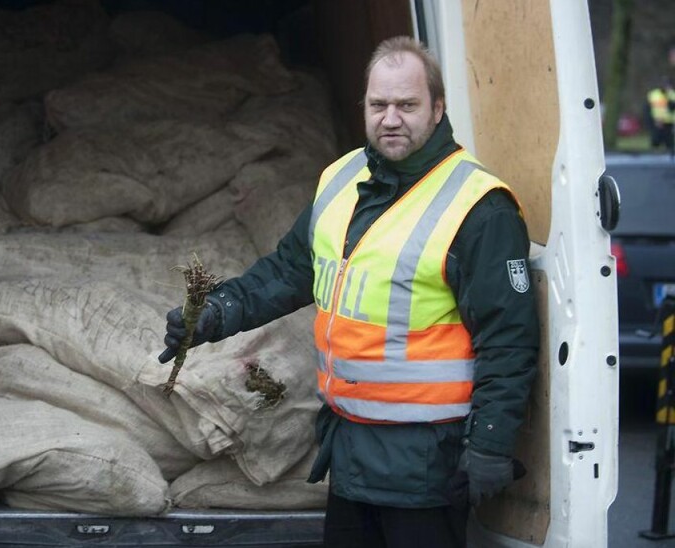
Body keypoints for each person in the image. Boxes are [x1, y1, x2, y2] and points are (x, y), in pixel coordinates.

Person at [158, 36, 538, 548]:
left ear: (438, 108)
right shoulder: (341, 179)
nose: (391, 118)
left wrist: (491, 442)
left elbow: (508, 338)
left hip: (426, 463)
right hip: (352, 447)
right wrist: (215, 314)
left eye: (407, 105)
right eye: (379, 105)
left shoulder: (478, 207)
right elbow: (290, 270)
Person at [646, 77, 675, 157]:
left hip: (669, 124)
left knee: (669, 145)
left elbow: (672, 108)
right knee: (655, 143)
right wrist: (652, 122)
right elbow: (648, 109)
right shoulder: (653, 95)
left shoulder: (672, 95)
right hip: (656, 123)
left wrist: (668, 97)